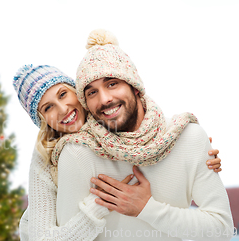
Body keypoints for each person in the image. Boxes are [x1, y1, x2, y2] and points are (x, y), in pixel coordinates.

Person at [50, 29, 234, 240]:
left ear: (135, 87)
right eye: (92, 92)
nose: (104, 99)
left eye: (112, 84)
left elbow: (221, 229)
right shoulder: (77, 153)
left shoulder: (187, 137)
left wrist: (146, 209)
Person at [13, 65, 222, 240]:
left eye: (63, 94)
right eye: (48, 108)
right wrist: (100, 205)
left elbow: (150, 130)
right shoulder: (47, 154)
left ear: (77, 93)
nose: (63, 108)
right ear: (42, 120)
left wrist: (192, 147)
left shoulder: (114, 120)